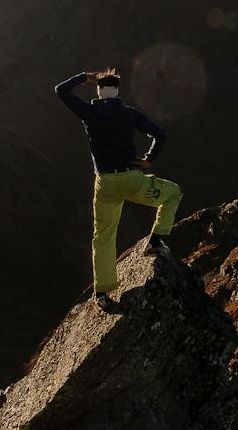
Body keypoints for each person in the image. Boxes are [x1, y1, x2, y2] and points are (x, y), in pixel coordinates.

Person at [54, 68, 182, 306]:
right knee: (172, 193)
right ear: (117, 90)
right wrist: (149, 159)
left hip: (105, 184)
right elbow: (160, 134)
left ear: (99, 91)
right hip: (131, 179)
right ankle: (156, 242)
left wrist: (84, 77)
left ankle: (102, 294)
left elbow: (61, 90)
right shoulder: (130, 114)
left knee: (103, 237)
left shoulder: (89, 112)